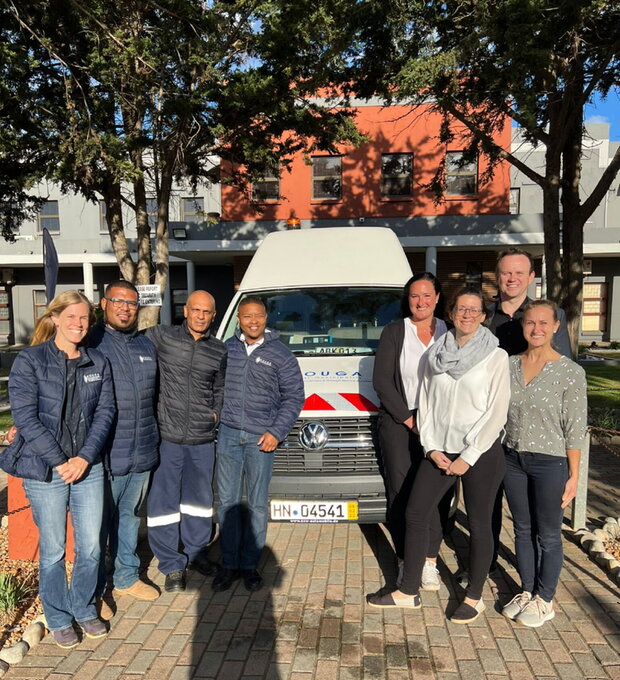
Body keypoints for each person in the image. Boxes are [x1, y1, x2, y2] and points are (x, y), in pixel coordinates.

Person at [367, 287, 509, 624]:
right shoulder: (436, 354)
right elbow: (427, 405)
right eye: (462, 308)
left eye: (475, 310)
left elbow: (497, 412)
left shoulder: (496, 357)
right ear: (451, 312)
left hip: (480, 453)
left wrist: (469, 455)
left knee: (479, 524)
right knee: (415, 513)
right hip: (440, 451)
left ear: (484, 316)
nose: (467, 315)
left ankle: (474, 597)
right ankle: (407, 590)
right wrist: (430, 446)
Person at [2, 291, 115, 648]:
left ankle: (83, 607)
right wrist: (60, 460)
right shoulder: (30, 361)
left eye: (85, 318)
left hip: (88, 466)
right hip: (45, 469)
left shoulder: (97, 362)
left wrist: (84, 457)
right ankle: (57, 616)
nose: (79, 324)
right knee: (52, 549)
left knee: (91, 546)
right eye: (72, 317)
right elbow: (25, 417)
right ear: (54, 318)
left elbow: (105, 413)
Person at [482, 247, 571, 582]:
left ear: (532, 277)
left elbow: (561, 373)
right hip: (489, 427)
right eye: (506, 272)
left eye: (520, 273)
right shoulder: (484, 317)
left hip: (532, 433)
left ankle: (536, 580)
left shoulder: (546, 315)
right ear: (497, 275)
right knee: (486, 503)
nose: (513, 279)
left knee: (533, 517)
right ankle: (484, 563)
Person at [501, 300, 587, 627]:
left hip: (551, 463)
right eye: (529, 323)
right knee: (522, 529)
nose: (535, 329)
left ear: (554, 327)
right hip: (513, 459)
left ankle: (545, 599)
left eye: (543, 323)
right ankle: (526, 590)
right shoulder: (509, 365)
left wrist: (574, 474)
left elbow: (575, 427)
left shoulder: (569, 372)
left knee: (548, 535)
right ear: (523, 326)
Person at [214, 296, 305, 592]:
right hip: (227, 435)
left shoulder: (281, 355)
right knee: (227, 503)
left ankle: (250, 565)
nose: (253, 321)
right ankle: (229, 565)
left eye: (258, 316)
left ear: (266, 318)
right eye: (247, 316)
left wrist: (276, 432)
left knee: (256, 504)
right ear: (238, 319)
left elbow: (294, 397)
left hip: (260, 438)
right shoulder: (226, 350)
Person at [146, 290, 227, 593]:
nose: (201, 316)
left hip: (202, 439)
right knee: (164, 503)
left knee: (199, 503)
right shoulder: (162, 337)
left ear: (213, 316)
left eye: (207, 312)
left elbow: (219, 387)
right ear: (186, 310)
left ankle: (196, 554)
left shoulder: (218, 350)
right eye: (196, 310)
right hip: (167, 436)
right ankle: (171, 565)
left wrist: (215, 413)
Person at [373, 273, 448, 590]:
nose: (421, 301)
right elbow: (382, 383)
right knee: (401, 494)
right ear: (409, 299)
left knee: (434, 496)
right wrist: (410, 421)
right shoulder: (394, 332)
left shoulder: (449, 331)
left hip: (441, 423)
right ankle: (406, 562)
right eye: (415, 296)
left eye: (427, 295)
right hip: (400, 423)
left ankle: (429, 561)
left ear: (437, 298)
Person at [90, 281, 159, 608]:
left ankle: (127, 576)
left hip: (142, 449)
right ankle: (94, 587)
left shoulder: (146, 346)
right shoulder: (92, 343)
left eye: (131, 303)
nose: (125, 308)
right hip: (104, 453)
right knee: (98, 524)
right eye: (118, 301)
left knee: (129, 516)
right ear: (105, 303)